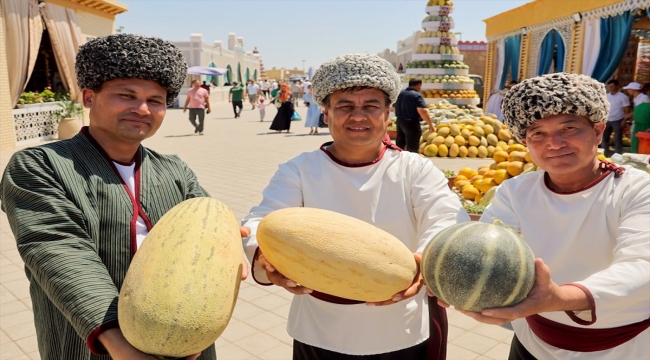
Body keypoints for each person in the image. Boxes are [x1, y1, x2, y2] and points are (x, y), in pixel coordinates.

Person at [0, 33, 249, 360]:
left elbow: (213, 228)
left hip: (185, 345)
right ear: (89, 97)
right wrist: (116, 341)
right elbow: (57, 248)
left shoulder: (175, 170)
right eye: (126, 95)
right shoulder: (39, 166)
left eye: (156, 100)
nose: (142, 109)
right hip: (94, 344)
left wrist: (242, 248)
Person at [242, 53, 469, 360]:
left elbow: (447, 216)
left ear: (388, 114)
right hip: (320, 330)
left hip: (401, 326)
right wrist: (265, 257)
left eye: (371, 106)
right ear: (325, 114)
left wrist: (425, 260)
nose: (358, 116)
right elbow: (261, 220)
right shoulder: (298, 170)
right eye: (345, 106)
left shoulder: (415, 168)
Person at [446, 73, 650, 360]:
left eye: (569, 128)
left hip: (622, 349)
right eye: (537, 133)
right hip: (532, 343)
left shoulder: (637, 189)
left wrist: (559, 298)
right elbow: (487, 250)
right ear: (526, 142)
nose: (554, 143)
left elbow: (643, 265)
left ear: (599, 131)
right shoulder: (515, 192)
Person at [393, 78, 434, 152]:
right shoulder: (416, 95)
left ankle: (399, 160)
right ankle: (412, 162)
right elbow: (422, 111)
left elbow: (394, 107)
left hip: (400, 121)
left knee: (400, 143)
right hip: (411, 123)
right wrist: (430, 124)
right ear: (419, 85)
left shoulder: (400, 93)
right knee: (412, 145)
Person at [602, 79, 630, 156]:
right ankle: (605, 152)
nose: (610, 88)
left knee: (618, 137)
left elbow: (626, 109)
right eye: (609, 86)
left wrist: (625, 120)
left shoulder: (623, 97)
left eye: (612, 86)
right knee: (605, 137)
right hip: (607, 119)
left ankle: (618, 153)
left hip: (618, 119)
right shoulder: (606, 96)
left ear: (617, 86)